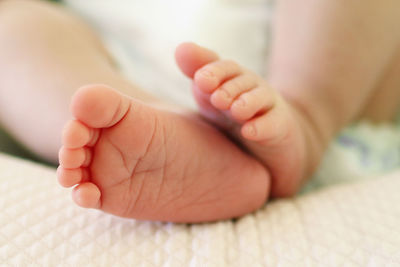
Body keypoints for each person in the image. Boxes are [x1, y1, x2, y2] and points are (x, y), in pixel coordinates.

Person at [0, 0, 399, 222]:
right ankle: (167, 134)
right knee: (11, 29)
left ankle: (306, 119)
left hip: (320, 71)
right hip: (125, 70)